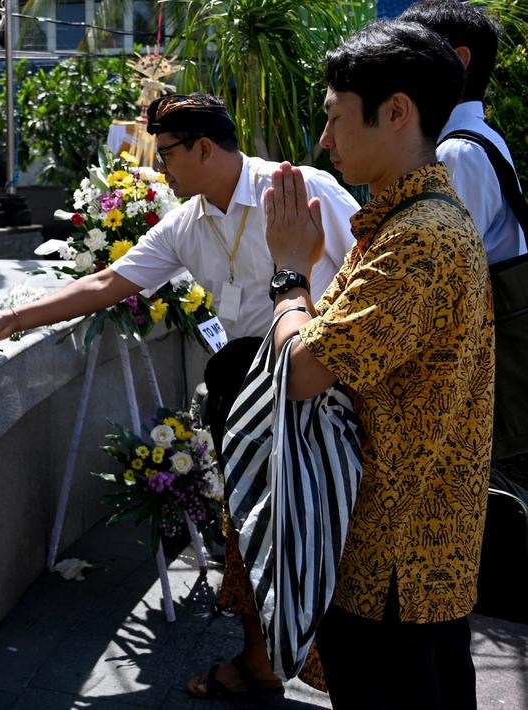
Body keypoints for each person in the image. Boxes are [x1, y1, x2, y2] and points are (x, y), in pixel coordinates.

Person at [0, 92, 360, 698]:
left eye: (168, 153)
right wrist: (15, 318)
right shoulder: (187, 222)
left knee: (332, 535)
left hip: (324, 388)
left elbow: (367, 270)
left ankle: (353, 675)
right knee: (250, 529)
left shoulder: (300, 188)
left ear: (204, 148)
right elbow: (107, 281)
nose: (162, 168)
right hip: (248, 400)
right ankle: (258, 662)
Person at [262, 20, 492, 709]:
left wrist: (285, 279)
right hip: (403, 552)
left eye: (334, 118)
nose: (324, 140)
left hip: (396, 562)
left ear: (395, 112)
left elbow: (303, 369)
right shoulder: (405, 222)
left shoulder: (418, 240)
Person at [401, 0, 526, 264]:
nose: (396, 67)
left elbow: (447, 266)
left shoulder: (458, 151)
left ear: (458, 61)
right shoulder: (475, 139)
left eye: (409, 53)